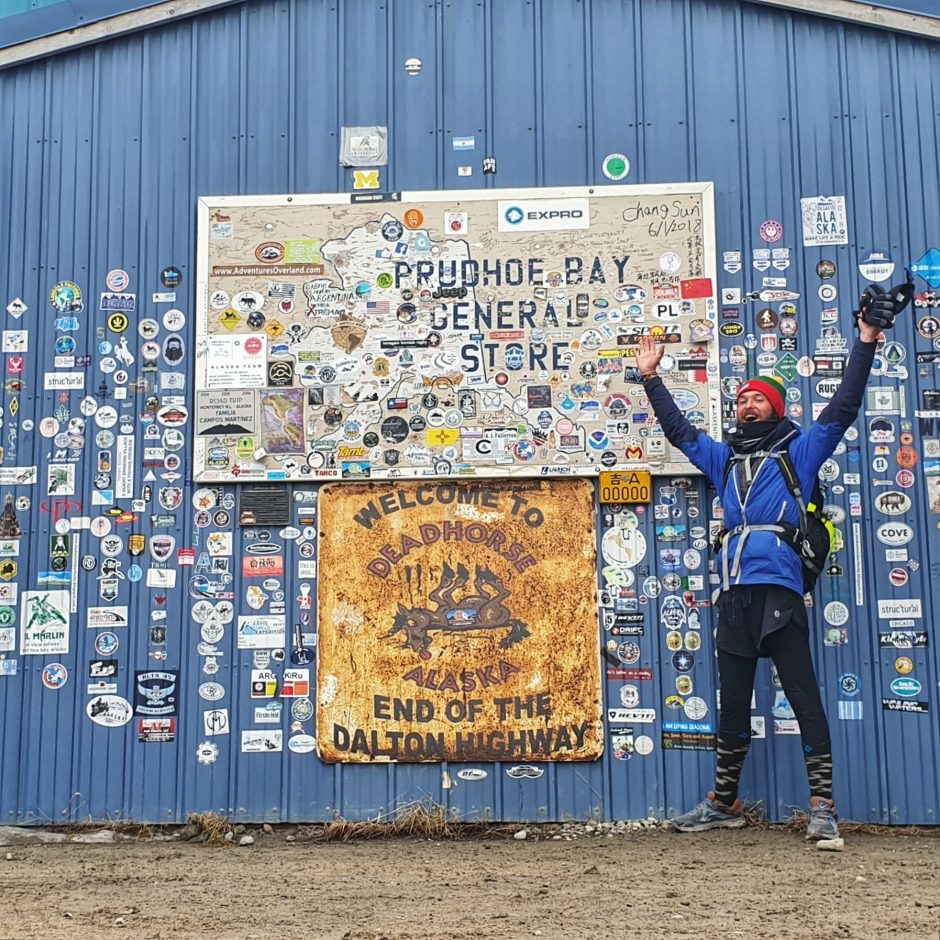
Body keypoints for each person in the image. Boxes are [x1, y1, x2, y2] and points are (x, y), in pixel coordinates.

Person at [634, 278, 912, 841]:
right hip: (735, 595)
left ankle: (824, 808)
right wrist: (649, 377)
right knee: (732, 703)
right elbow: (680, 431)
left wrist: (866, 339)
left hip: (781, 591)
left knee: (804, 695)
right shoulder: (722, 460)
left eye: (755, 398)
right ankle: (723, 802)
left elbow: (843, 407)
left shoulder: (799, 451)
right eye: (740, 399)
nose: (745, 404)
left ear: (776, 407)